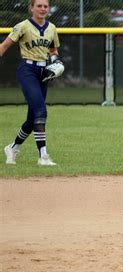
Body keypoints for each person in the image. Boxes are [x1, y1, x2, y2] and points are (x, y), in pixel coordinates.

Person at [1, 0, 64, 166]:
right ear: (31, 8)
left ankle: (13, 148)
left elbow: (53, 50)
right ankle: (43, 156)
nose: (43, 9)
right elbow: (4, 46)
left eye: (45, 6)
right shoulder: (23, 26)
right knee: (41, 110)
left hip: (44, 72)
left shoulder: (52, 28)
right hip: (27, 70)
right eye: (39, 6)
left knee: (32, 118)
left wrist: (56, 61)